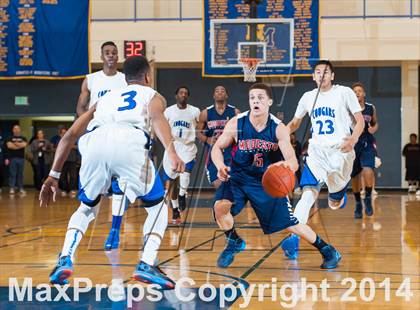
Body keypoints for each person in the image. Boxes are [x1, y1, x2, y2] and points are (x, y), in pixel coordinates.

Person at [40, 55, 185, 289]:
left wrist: (53, 175)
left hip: (94, 141)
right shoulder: (153, 95)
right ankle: (147, 262)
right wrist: (171, 150)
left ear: (125, 79)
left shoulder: (104, 99)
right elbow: (158, 118)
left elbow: (69, 135)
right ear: (147, 76)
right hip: (129, 140)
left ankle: (65, 257)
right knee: (158, 208)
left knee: (87, 208)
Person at [211, 83, 341, 269]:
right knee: (220, 208)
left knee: (290, 225)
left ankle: (328, 250)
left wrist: (284, 165)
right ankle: (234, 242)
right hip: (238, 178)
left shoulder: (278, 128)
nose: (256, 101)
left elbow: (293, 161)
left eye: (260, 98)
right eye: (252, 98)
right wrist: (220, 165)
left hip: (266, 182)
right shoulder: (237, 123)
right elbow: (217, 147)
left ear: (269, 102)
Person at [281, 60, 364, 259]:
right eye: (318, 72)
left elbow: (360, 121)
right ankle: (294, 239)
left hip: (341, 152)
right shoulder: (307, 97)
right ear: (313, 76)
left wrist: (353, 139)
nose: (321, 75)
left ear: (332, 76)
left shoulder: (344, 92)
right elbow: (294, 123)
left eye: (326, 72)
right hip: (317, 152)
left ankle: (337, 197)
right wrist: (276, 133)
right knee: (307, 194)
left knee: (335, 203)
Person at [76, 41, 128, 251]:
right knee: (91, 190)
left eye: (114, 53)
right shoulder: (91, 79)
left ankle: (114, 230)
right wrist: (89, 125)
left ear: (118, 56)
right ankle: (76, 234)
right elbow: (80, 107)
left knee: (119, 185)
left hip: (120, 136)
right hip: (97, 136)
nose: (111, 55)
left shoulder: (125, 79)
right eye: (107, 52)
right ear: (101, 56)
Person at [162, 86, 200, 224]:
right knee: (172, 182)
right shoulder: (168, 111)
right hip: (173, 146)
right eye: (180, 93)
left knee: (186, 173)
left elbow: (200, 126)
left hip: (187, 146)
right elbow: (163, 128)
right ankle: (175, 209)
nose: (183, 95)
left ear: (188, 96)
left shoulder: (195, 111)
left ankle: (182, 194)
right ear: (176, 95)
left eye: (185, 93)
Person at [350, 82, 378, 218]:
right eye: (354, 91)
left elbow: (374, 123)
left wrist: (374, 128)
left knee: (368, 169)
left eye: (359, 91)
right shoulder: (347, 108)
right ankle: (357, 203)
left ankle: (367, 197)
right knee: (354, 175)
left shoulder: (370, 108)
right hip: (353, 143)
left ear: (364, 94)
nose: (357, 93)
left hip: (367, 141)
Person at [5, 125, 28, 195]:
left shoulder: (23, 138)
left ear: (20, 130)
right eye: (15, 128)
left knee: (20, 174)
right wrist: (19, 145)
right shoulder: (9, 138)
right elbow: (9, 146)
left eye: (18, 128)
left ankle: (20, 188)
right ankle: (12, 188)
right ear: (13, 130)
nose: (16, 129)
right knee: (12, 173)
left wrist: (15, 144)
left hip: (21, 158)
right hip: (12, 158)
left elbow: (24, 145)